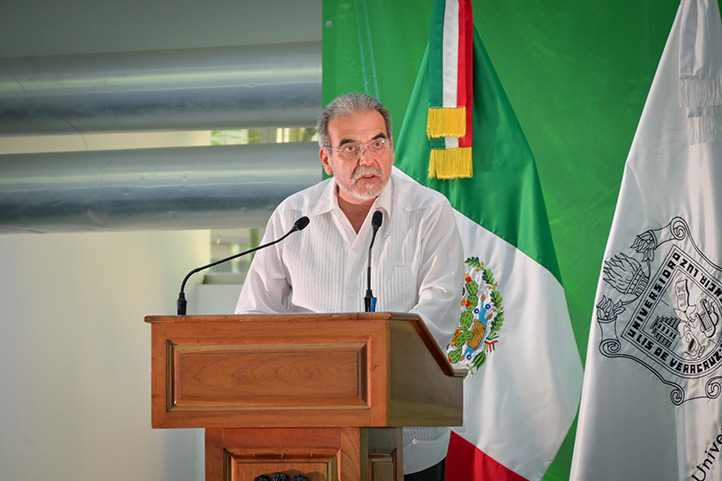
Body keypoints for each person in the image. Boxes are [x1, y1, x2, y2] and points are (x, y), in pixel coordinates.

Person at [236, 93, 463, 481]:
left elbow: (439, 312)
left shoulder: (429, 211)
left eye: (377, 143)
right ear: (326, 159)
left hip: (408, 438)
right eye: (350, 148)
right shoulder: (293, 215)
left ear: (391, 148)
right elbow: (254, 315)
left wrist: (362, 366)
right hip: (314, 431)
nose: (367, 160)